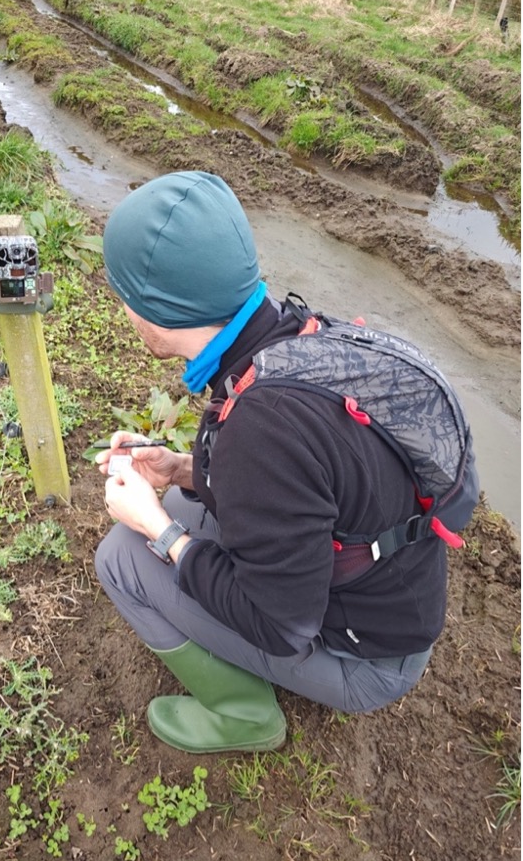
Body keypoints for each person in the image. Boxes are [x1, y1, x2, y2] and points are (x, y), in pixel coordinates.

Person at [94, 170, 450, 755]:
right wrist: (179, 468)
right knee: (185, 499)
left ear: (155, 311)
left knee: (123, 557)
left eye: (126, 296)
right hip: (392, 594)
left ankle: (243, 717)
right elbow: (294, 482)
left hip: (369, 662)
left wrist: (159, 531)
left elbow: (281, 629)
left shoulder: (261, 430)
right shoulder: (292, 336)